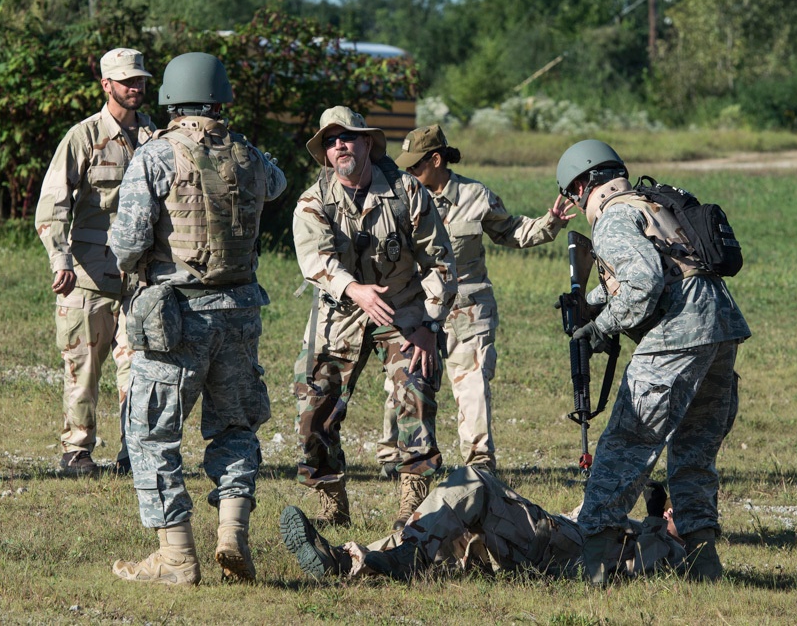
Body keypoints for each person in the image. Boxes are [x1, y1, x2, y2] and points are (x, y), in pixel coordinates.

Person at [107, 52, 287, 585]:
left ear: (170, 97)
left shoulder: (156, 155)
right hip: (240, 312)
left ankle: (176, 557)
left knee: (149, 432)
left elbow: (128, 243)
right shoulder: (251, 157)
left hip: (177, 317)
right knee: (235, 426)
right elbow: (275, 186)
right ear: (221, 98)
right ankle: (232, 532)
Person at [554, 140, 751, 585]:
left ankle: (596, 570)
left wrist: (604, 327)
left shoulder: (613, 217)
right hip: (719, 327)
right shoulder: (654, 202)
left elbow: (642, 281)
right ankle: (705, 568)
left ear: (584, 184)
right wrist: (592, 304)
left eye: (572, 194)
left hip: (678, 331)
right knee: (694, 454)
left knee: (626, 444)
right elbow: (665, 268)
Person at [377, 124, 574, 486]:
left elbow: (511, 230)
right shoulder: (400, 197)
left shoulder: (475, 195)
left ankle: (480, 466)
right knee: (402, 382)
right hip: (417, 309)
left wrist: (550, 224)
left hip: (468, 310)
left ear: (435, 160)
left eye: (415, 166)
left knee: (472, 388)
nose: (408, 173)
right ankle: (394, 456)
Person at [292, 107, 457, 529]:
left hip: (402, 310)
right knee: (313, 408)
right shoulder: (314, 201)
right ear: (325, 154)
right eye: (330, 140)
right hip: (341, 312)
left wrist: (429, 327)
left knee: (415, 390)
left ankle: (412, 501)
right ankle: (331, 502)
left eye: (347, 136)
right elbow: (315, 259)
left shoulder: (407, 193)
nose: (339, 145)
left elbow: (440, 264)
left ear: (368, 143)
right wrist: (353, 289)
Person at [35, 48, 156, 476]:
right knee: (83, 369)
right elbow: (52, 205)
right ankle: (77, 451)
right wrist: (60, 259)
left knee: (139, 369)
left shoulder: (154, 138)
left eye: (140, 80)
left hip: (139, 279)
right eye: (127, 81)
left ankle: (133, 452)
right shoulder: (83, 137)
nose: (136, 87)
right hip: (86, 275)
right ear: (107, 85)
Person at [280, 466, 686, 582]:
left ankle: (400, 559)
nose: (670, 511)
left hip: (554, 549)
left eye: (680, 513)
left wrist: (654, 523)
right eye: (672, 507)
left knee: (476, 483)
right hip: (548, 541)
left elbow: (638, 564)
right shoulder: (652, 530)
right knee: (449, 517)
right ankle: (346, 560)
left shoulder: (677, 552)